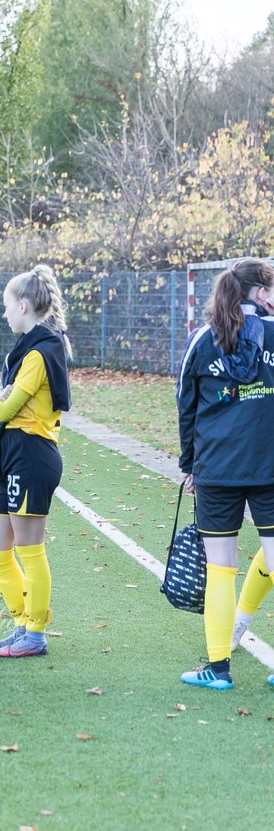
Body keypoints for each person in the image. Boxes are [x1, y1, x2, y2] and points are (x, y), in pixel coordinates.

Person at [176, 258, 274, 690]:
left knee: (220, 570)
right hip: (270, 467)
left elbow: (185, 404)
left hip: (215, 469)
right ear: (262, 293)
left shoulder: (202, 338)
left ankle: (218, 668)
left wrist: (188, 464)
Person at [0, 264, 71, 659]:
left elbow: (5, 407)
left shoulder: (40, 351)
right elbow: (6, 402)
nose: (4, 314)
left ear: (22, 305)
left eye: (6, 306)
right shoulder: (24, 348)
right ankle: (21, 622)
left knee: (29, 548)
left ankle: (35, 633)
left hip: (32, 454)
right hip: (11, 452)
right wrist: (3, 395)